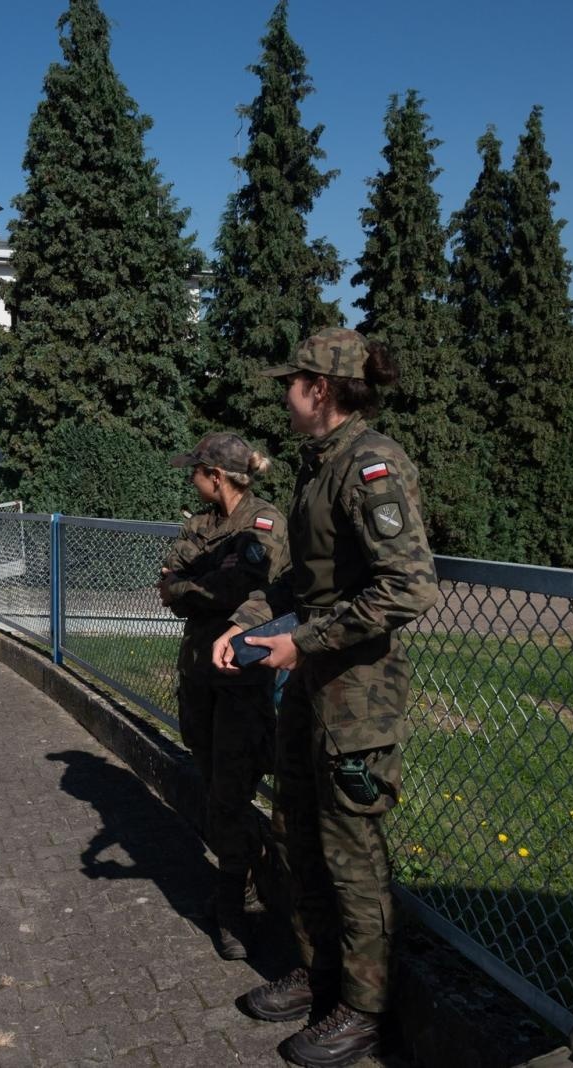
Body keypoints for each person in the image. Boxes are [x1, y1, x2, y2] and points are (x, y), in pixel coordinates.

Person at [211, 328, 438, 1068]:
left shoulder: (373, 465)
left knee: (352, 855)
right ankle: (320, 977)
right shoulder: (319, 466)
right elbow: (297, 584)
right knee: (297, 834)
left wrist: (300, 644)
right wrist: (246, 628)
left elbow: (408, 587)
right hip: (309, 686)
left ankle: (364, 1010)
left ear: (322, 389)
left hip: (356, 700)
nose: (284, 393)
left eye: (293, 382)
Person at [158, 432, 288, 962]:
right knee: (211, 775)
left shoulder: (264, 521)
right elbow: (169, 585)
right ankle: (244, 871)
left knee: (233, 783)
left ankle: (235, 899)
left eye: (195, 469)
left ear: (216, 475)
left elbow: (257, 591)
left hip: (240, 667)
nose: (189, 476)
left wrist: (200, 587)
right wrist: (202, 586)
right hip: (197, 667)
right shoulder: (200, 524)